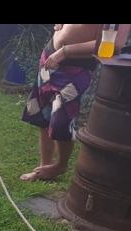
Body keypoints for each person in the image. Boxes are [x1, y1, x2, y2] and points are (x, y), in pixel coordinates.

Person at [19, 24, 130, 181]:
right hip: (50, 55)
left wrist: (65, 51)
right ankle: (43, 167)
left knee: (61, 120)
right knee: (44, 116)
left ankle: (60, 166)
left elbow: (114, 45)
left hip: (77, 67)